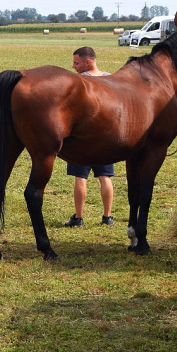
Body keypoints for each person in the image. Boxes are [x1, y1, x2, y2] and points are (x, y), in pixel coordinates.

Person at [63, 47, 115, 227]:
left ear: (88, 61)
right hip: (104, 138)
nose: (73, 66)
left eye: (76, 63)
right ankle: (107, 217)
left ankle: (78, 218)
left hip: (82, 138)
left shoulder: (79, 81)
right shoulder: (109, 78)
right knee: (105, 176)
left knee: (80, 178)